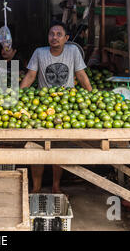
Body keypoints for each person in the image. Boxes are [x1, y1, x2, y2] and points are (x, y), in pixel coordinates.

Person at [20, 22, 92, 194]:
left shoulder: (73, 51)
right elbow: (30, 76)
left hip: (66, 105)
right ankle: (36, 187)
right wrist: (19, 95)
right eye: (52, 34)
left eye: (59, 34)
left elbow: (81, 75)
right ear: (48, 37)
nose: (55, 37)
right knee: (37, 146)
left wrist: (91, 95)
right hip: (43, 105)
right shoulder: (40, 52)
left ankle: (56, 185)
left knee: (58, 147)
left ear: (66, 38)